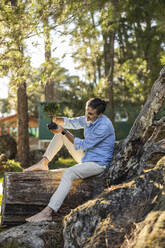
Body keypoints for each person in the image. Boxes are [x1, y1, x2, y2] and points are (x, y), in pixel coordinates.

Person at [24, 98, 115, 222]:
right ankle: (44, 163)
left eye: (91, 114)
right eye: (86, 112)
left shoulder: (104, 125)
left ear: (99, 114)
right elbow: (70, 122)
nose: (87, 116)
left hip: (98, 164)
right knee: (60, 135)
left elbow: (84, 144)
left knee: (68, 173)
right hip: (86, 158)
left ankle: (48, 212)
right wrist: (55, 120)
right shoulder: (88, 118)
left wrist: (63, 131)